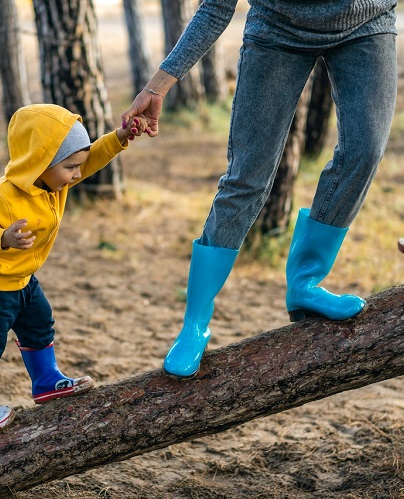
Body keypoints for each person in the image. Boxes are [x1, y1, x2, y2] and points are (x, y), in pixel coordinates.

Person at [122, 0, 397, 378]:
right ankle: (194, 325)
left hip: (366, 24)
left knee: (364, 153)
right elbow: (216, 7)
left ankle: (305, 284)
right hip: (277, 30)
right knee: (246, 178)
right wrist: (159, 85)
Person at [0, 103, 146, 436]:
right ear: (40, 162)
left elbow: (91, 158)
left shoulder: (56, 181)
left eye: (77, 167)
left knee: (40, 324)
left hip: (22, 279)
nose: (77, 175)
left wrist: (120, 137)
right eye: (70, 167)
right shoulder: (4, 197)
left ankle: (46, 381)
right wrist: (3, 237)